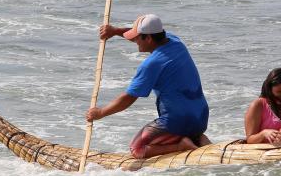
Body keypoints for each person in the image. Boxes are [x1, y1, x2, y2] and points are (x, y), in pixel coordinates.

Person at [86, 14, 210, 158]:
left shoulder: (152, 64)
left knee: (137, 149)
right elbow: (137, 35)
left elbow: (129, 98)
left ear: (149, 38)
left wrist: (100, 113)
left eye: (138, 38)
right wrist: (115, 31)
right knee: (185, 123)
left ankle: (180, 144)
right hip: (200, 119)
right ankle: (197, 138)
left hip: (177, 122)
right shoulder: (175, 41)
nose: (135, 41)